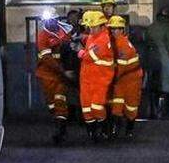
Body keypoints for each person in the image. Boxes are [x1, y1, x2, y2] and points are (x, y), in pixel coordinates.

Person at [77, 10, 115, 141]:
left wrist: (80, 52)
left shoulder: (104, 39)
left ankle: (104, 129)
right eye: (88, 27)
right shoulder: (94, 36)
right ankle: (92, 134)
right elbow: (90, 42)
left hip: (100, 79)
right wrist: (82, 38)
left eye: (92, 27)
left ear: (101, 26)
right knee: (86, 108)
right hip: (87, 79)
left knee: (97, 106)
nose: (90, 29)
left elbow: (90, 56)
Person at [35, 17, 74, 145]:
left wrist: (67, 69)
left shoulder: (62, 32)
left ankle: (61, 131)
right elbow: (47, 59)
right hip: (47, 75)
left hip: (60, 77)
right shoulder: (43, 36)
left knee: (59, 100)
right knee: (52, 104)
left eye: (54, 20)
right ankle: (59, 123)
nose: (51, 22)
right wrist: (63, 71)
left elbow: (69, 52)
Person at [108, 16, 142, 138]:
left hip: (131, 79)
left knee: (131, 106)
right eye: (111, 29)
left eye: (116, 29)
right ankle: (114, 130)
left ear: (122, 30)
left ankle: (129, 129)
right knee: (116, 104)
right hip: (121, 78)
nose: (113, 31)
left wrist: (109, 79)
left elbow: (120, 67)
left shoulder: (123, 45)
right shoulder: (114, 42)